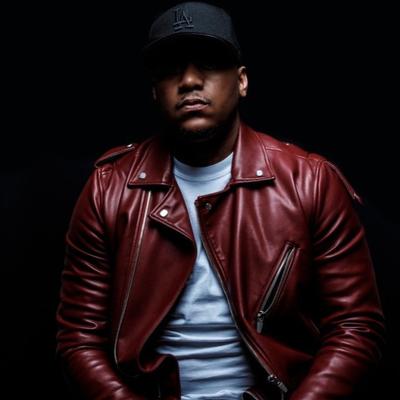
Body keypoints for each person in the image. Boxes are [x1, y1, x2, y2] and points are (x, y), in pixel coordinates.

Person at [56, 2, 385, 399]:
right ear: (155, 92)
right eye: (171, 69)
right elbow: (78, 339)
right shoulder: (108, 189)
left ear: (242, 81)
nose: (189, 80)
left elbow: (355, 327)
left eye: (209, 64)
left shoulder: (310, 182)